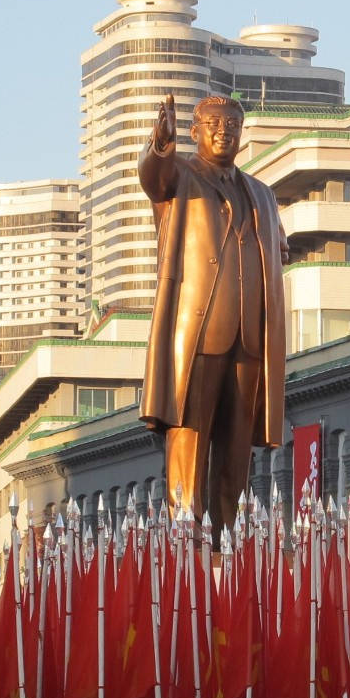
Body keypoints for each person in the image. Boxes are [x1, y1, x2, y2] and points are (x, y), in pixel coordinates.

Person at [138, 93, 287, 530]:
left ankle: (230, 536)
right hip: (199, 329)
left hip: (250, 335)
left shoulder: (262, 193)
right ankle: (186, 534)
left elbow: (278, 250)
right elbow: (154, 176)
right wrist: (160, 143)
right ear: (195, 131)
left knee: (238, 446)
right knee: (190, 435)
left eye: (233, 125)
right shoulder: (180, 177)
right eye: (216, 124)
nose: (225, 131)